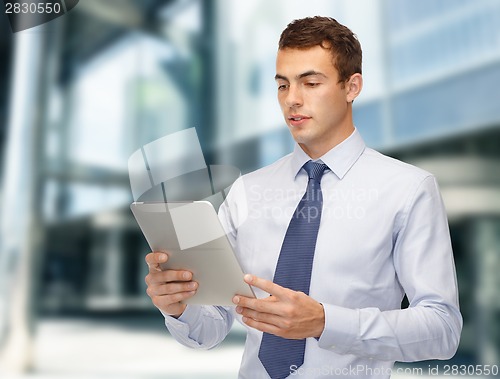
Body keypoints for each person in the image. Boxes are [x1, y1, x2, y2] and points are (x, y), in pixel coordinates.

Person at [144, 16, 462, 379]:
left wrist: (325, 322)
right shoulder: (249, 190)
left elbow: (443, 329)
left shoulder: (407, 190)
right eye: (283, 85)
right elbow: (210, 328)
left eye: (310, 83)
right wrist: (179, 305)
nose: (292, 100)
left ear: (352, 86)